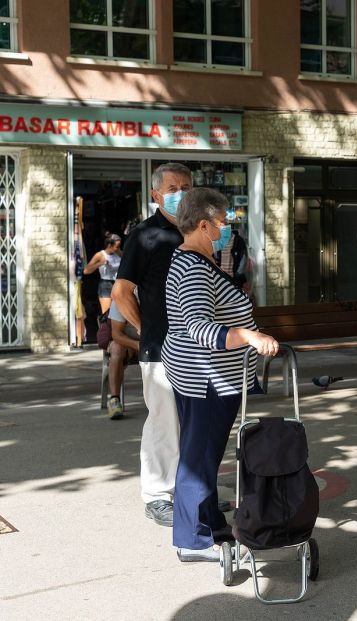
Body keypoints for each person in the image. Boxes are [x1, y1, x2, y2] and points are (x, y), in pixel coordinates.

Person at [162, 188, 278, 562]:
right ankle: (191, 539)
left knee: (204, 455)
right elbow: (198, 326)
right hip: (207, 378)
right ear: (203, 224)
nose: (226, 229)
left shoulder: (198, 260)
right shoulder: (193, 267)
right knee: (199, 458)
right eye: (223, 222)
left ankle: (209, 521)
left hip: (207, 377)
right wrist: (248, 335)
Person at [112, 162, 192, 528]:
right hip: (160, 347)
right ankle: (158, 495)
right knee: (164, 422)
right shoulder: (143, 235)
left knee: (192, 423)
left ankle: (191, 490)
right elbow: (122, 292)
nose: (181, 193)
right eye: (173, 188)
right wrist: (145, 328)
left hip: (196, 345)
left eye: (187, 186)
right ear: (156, 194)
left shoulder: (196, 231)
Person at [106, 299, 139, 420]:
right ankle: (114, 400)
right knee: (116, 349)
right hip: (127, 342)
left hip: (150, 339)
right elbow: (117, 334)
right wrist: (138, 345)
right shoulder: (121, 298)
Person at [83, 233, 122, 313]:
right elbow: (86, 271)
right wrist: (100, 263)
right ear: (109, 245)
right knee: (107, 313)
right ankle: (103, 324)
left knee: (118, 313)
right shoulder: (100, 255)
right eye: (116, 246)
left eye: (119, 246)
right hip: (106, 285)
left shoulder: (119, 253)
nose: (118, 249)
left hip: (118, 284)